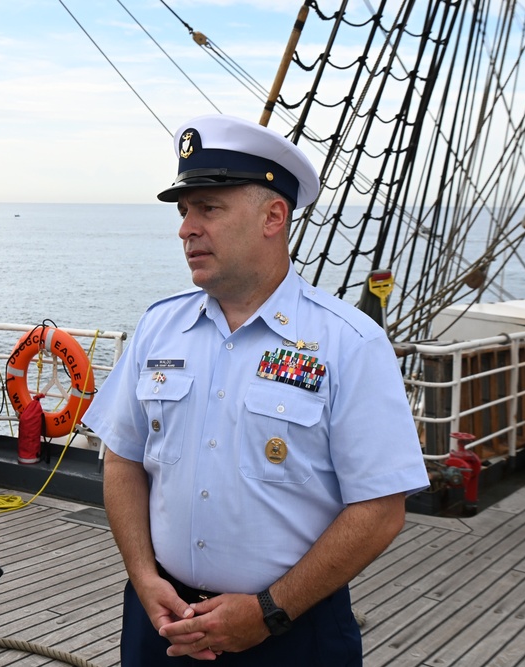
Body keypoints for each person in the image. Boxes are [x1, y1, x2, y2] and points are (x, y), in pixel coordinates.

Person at [82, 114, 430, 665]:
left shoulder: (349, 342)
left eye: (208, 209)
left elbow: (380, 508)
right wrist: (143, 577)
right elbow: (123, 458)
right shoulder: (158, 326)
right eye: (184, 212)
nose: (186, 228)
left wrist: (269, 611)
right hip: (161, 622)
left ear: (274, 216)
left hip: (291, 633)